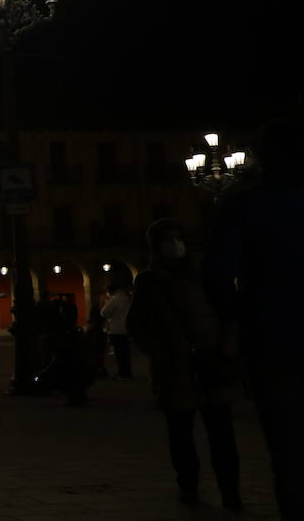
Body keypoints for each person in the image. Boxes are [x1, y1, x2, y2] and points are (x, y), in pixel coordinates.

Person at [204, 116, 304, 519]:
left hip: (272, 343)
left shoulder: (243, 205)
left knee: (289, 455)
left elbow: (215, 276)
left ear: (263, 158)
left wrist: (240, 316)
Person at [128, 218, 241, 510]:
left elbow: (231, 310)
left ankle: (231, 491)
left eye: (177, 237)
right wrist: (159, 353)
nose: (174, 244)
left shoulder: (206, 273)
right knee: (181, 436)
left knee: (222, 434)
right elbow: (137, 325)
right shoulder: (148, 282)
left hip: (212, 362)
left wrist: (228, 344)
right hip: (175, 369)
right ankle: (188, 486)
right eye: (167, 239)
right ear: (155, 246)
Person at [101, 283, 133, 379]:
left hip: (116, 329)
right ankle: (127, 372)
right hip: (125, 328)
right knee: (125, 352)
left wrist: (107, 302)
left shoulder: (116, 299)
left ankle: (122, 373)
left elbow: (104, 312)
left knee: (119, 353)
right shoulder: (126, 298)